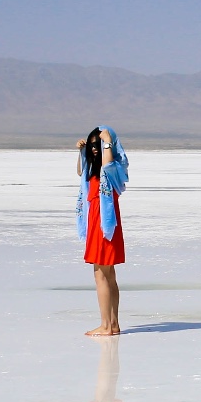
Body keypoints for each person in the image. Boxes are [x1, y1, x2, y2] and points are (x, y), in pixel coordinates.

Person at [77, 126, 128, 336]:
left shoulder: (112, 167)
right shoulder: (95, 169)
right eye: (92, 144)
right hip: (99, 223)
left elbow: (106, 163)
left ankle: (106, 325)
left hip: (103, 224)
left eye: (98, 144)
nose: (94, 148)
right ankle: (113, 324)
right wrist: (81, 152)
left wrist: (106, 140)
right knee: (108, 274)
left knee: (101, 274)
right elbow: (81, 172)